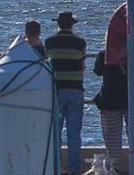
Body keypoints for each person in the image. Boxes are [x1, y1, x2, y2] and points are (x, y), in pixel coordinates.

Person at [45, 11, 86, 175]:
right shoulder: (80, 43)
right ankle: (74, 169)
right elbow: (82, 66)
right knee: (74, 133)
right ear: (72, 25)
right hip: (76, 90)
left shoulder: (49, 42)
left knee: (55, 133)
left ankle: (56, 168)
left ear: (58, 25)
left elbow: (45, 65)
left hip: (56, 91)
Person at [92, 49, 127, 173]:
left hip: (109, 100)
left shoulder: (104, 54)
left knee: (112, 139)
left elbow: (97, 71)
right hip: (130, 99)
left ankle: (114, 167)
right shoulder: (133, 52)